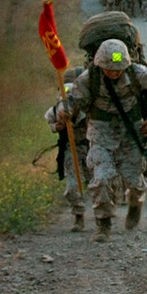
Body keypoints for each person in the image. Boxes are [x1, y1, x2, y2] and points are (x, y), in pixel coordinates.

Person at [60, 38, 147, 242]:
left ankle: (136, 203)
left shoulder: (138, 73)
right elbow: (72, 100)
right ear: (100, 65)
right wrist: (64, 112)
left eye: (118, 69)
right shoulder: (88, 78)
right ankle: (104, 224)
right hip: (101, 132)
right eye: (109, 69)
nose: (114, 72)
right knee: (101, 178)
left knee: (134, 182)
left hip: (131, 131)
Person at [45, 81, 90, 232]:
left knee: (101, 184)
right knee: (72, 187)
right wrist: (56, 127)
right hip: (71, 150)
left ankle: (104, 215)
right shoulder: (55, 111)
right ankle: (78, 215)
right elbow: (50, 121)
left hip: (92, 149)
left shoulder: (89, 109)